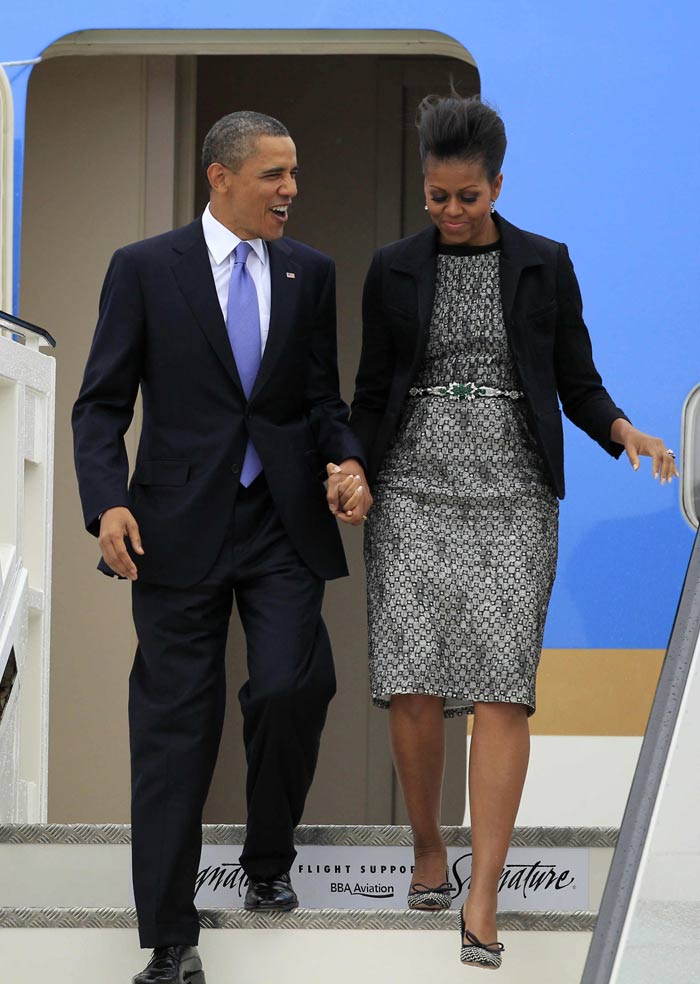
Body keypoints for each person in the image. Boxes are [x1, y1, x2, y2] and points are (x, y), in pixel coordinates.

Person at [346, 93, 677, 971]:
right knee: (412, 679)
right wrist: (350, 467)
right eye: (437, 198)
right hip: (410, 480)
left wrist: (624, 432)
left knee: (501, 687)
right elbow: (371, 390)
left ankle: (483, 893)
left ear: (497, 185)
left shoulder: (545, 263)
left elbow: (576, 378)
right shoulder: (393, 268)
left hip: (515, 489)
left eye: (468, 197)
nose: (452, 212)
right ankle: (427, 845)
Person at [72, 110, 372, 984]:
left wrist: (347, 461)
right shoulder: (142, 269)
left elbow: (323, 399)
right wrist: (106, 507)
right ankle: (171, 939)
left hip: (279, 521)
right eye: (274, 174)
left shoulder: (308, 272)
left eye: (294, 174)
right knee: (175, 729)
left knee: (290, 682)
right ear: (220, 176)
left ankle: (268, 858)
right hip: (171, 529)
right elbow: (100, 405)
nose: (290, 190)